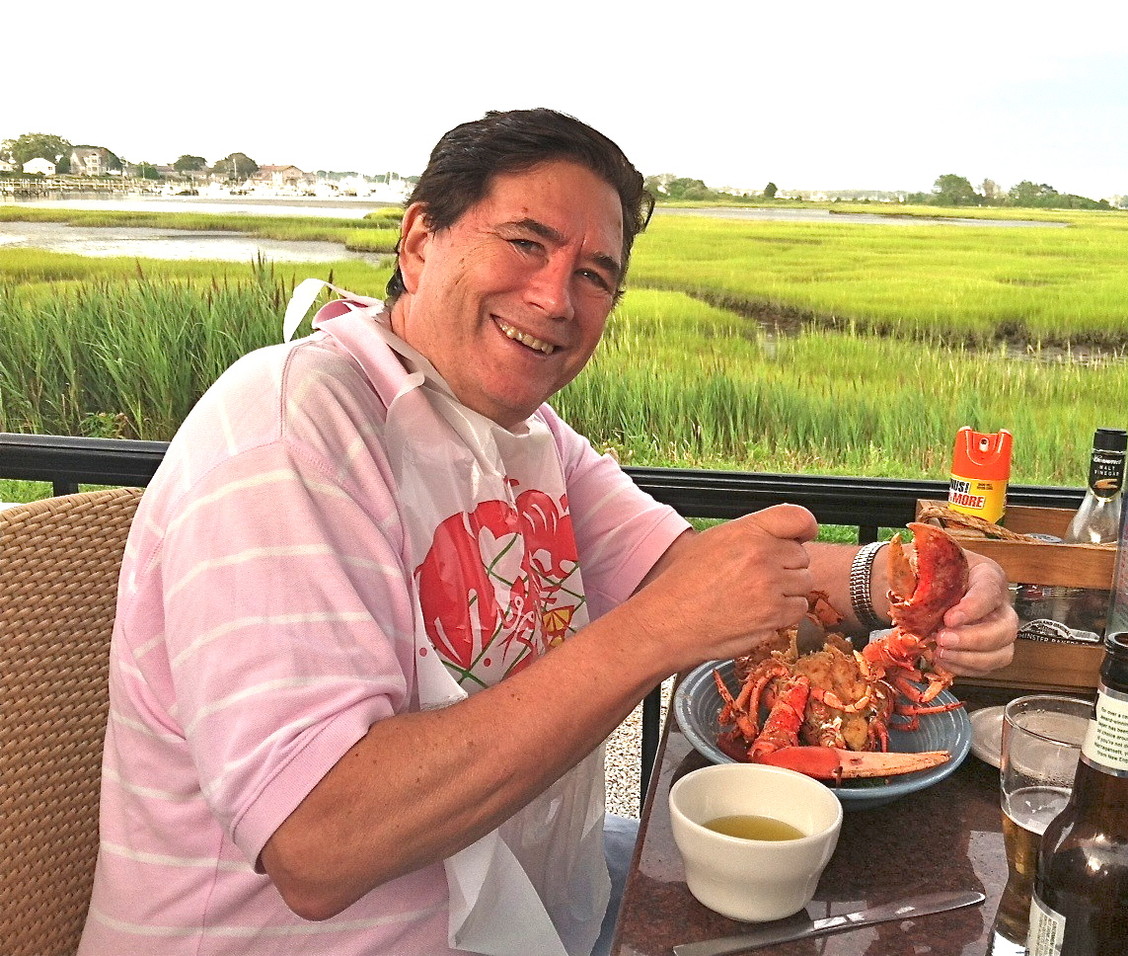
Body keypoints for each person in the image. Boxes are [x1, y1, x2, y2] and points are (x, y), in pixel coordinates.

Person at [79, 108, 1016, 956]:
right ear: (418, 238)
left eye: (595, 277)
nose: (557, 298)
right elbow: (320, 845)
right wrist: (656, 635)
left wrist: (899, 579)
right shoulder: (296, 426)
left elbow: (696, 572)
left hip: (523, 904)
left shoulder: (526, 439)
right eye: (525, 242)